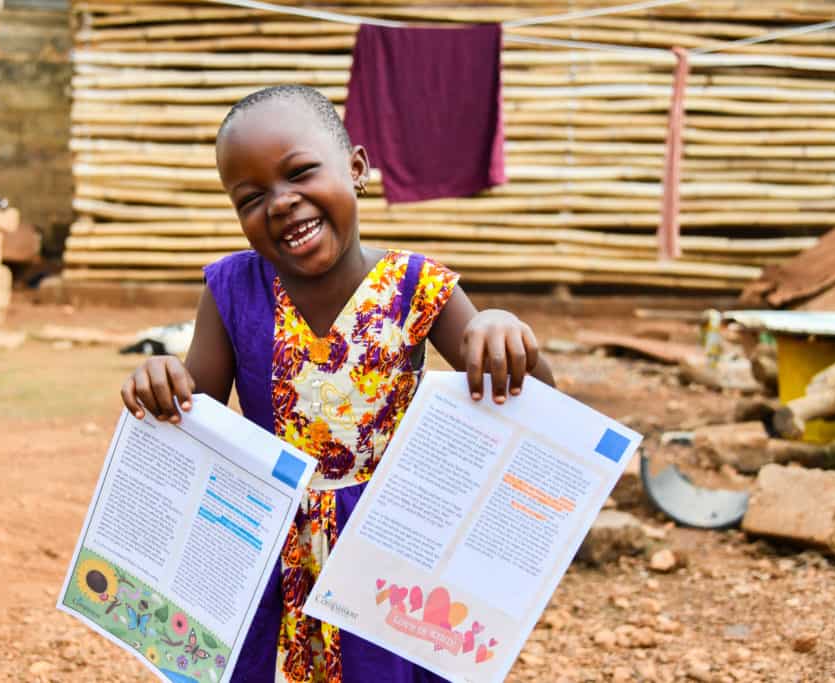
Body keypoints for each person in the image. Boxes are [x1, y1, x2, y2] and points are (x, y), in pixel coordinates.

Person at [121, 85, 555, 683]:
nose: (281, 203)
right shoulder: (231, 291)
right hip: (267, 549)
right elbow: (191, 411)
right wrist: (158, 379)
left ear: (356, 169)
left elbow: (533, 407)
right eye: (251, 197)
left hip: (390, 552)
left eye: (300, 172)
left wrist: (504, 332)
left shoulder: (419, 287)